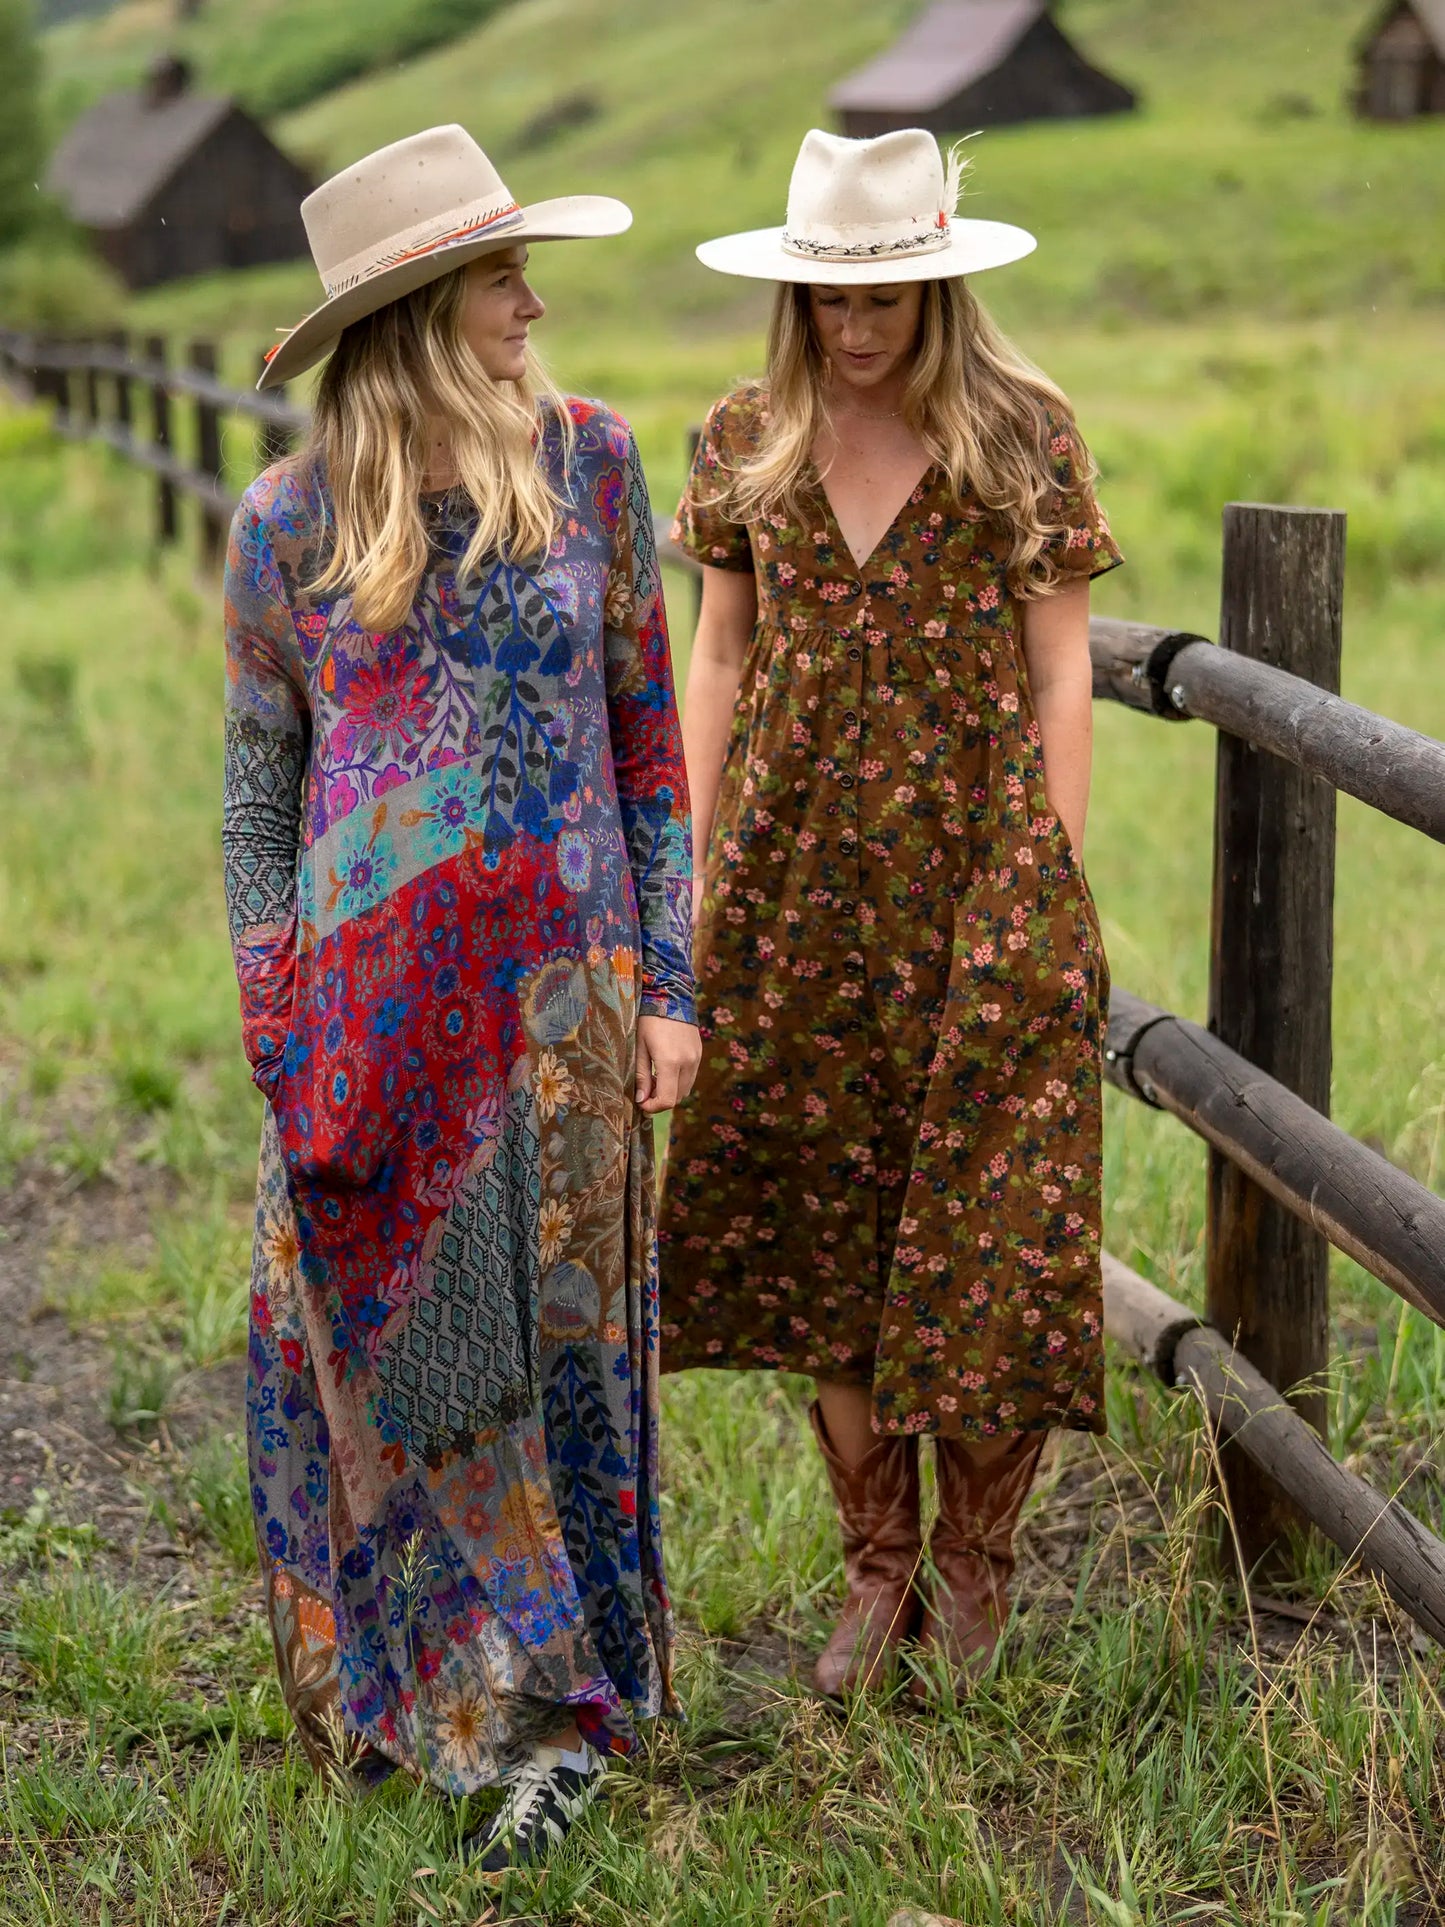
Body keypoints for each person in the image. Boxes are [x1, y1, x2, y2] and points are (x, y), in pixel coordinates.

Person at [223, 125, 699, 1868]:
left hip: (564, 1009)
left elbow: (649, 744)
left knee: (554, 1356)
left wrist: (675, 987)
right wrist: (277, 1017)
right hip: (363, 1027)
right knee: (381, 1361)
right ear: (424, 305)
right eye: (504, 275)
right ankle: (428, 1693)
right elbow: (256, 796)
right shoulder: (285, 521)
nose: (535, 301)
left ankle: (555, 1707)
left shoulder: (593, 465)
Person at [657, 128, 1122, 1699]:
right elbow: (717, 658)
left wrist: (1045, 876)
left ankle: (977, 1569)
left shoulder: (1021, 433)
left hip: (974, 870)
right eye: (830, 301)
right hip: (788, 884)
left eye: (888, 296)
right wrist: (692, 867)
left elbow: (1061, 667)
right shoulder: (742, 437)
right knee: (815, 1225)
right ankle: (878, 1567)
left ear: (939, 285)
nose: (856, 327)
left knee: (988, 1225)